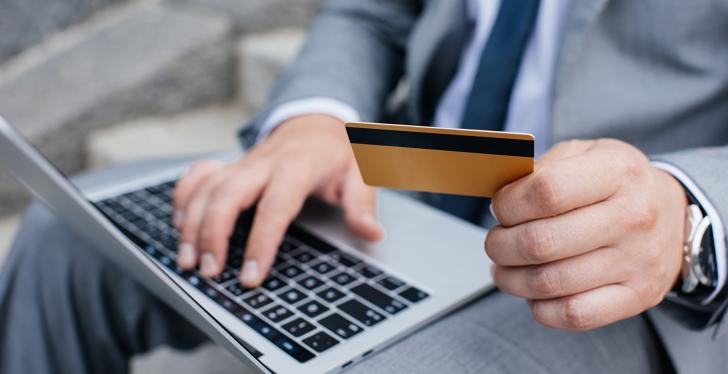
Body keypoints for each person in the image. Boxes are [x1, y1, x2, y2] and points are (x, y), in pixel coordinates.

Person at [2, 0, 728, 373]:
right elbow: (371, 13)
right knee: (67, 237)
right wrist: (317, 117)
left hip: (622, 265)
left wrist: (686, 213)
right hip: (401, 176)